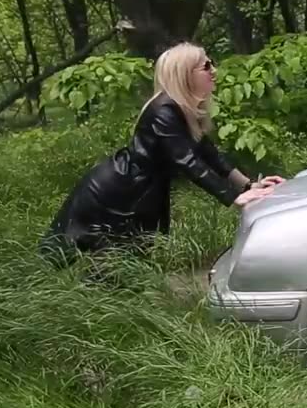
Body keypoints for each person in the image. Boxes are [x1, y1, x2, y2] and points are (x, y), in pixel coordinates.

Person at [38, 42, 285, 266]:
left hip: (137, 190)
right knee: (85, 258)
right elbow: (187, 161)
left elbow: (209, 155)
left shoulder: (182, 110)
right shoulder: (164, 111)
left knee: (127, 263)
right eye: (206, 66)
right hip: (116, 193)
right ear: (185, 74)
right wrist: (233, 198)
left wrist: (248, 186)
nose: (214, 70)